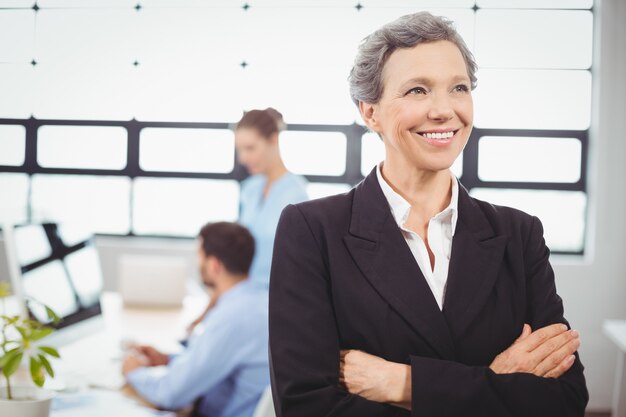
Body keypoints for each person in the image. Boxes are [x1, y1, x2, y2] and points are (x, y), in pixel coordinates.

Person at [268, 11, 588, 417]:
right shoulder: (312, 231)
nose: (443, 110)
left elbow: (565, 402)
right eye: (417, 90)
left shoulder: (519, 234)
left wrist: (402, 383)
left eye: (459, 87)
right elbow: (305, 407)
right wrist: (496, 380)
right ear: (370, 112)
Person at [122, 222, 269, 417]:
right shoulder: (257, 300)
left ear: (214, 265)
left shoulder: (233, 317)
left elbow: (170, 393)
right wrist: (168, 359)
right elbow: (214, 360)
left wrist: (133, 372)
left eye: (199, 256)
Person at [236, 108, 309, 287]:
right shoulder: (249, 189)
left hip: (278, 294)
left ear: (273, 139)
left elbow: (301, 262)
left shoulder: (296, 194)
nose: (243, 158)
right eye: (239, 150)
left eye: (250, 148)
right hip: (245, 290)